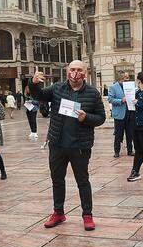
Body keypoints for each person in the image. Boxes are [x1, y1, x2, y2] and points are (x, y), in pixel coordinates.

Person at [30, 60, 106, 231]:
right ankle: (58, 212)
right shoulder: (57, 88)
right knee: (57, 180)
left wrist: (86, 118)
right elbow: (39, 96)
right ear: (67, 71)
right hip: (57, 144)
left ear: (85, 73)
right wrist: (33, 83)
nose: (75, 72)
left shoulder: (93, 93)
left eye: (79, 70)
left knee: (82, 181)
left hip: (80, 146)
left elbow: (101, 118)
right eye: (72, 69)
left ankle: (87, 215)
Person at [108, 72, 135, 158]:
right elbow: (110, 99)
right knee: (118, 134)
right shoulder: (113, 87)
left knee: (130, 134)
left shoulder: (131, 86)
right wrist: (121, 100)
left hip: (130, 113)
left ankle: (130, 151)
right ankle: (117, 151)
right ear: (120, 78)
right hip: (119, 114)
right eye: (126, 77)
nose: (127, 78)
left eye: (128, 77)